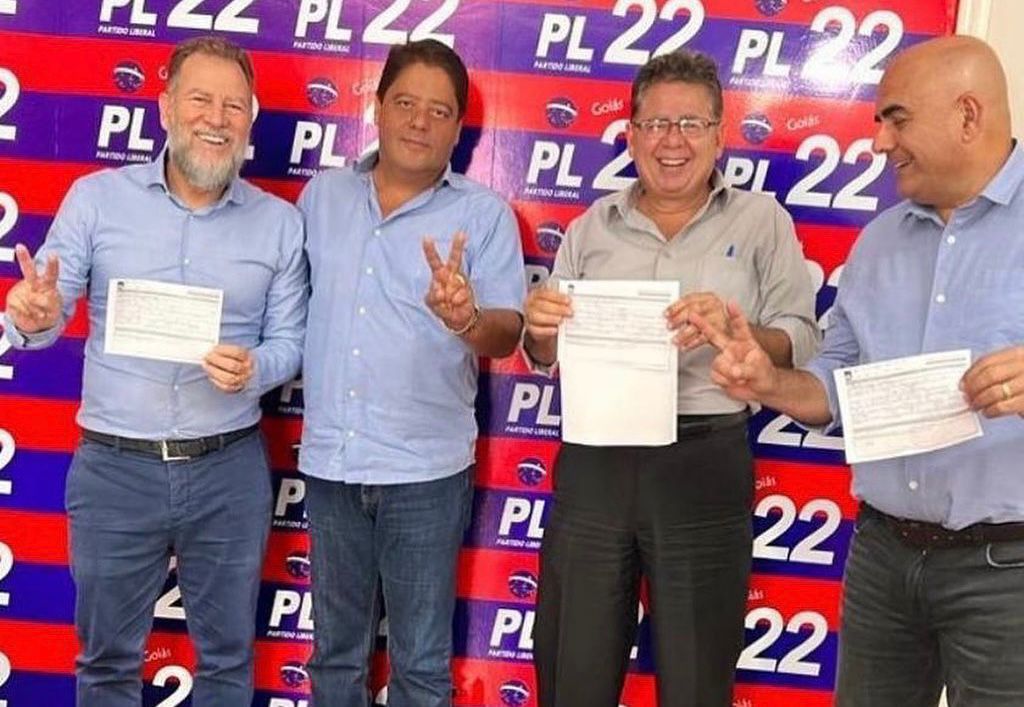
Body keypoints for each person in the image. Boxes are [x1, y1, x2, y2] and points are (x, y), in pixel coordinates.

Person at [690, 36, 1024, 707]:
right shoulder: (878, 242)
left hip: (1008, 573)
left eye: (896, 119)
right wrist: (770, 383)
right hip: (882, 555)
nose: (877, 142)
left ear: (967, 115)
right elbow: (838, 381)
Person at [2, 36, 307, 706]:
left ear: (251, 120)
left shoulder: (280, 225)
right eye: (200, 99)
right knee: (107, 663)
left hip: (228, 471)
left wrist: (256, 367)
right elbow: (47, 306)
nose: (216, 118)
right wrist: (32, 315)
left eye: (234, 105)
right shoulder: (96, 200)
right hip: (116, 470)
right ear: (166, 107)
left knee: (227, 661)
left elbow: (291, 341)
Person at [523, 49, 819, 707]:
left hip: (703, 461)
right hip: (597, 458)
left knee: (696, 677)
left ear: (719, 135)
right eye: (656, 124)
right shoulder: (589, 228)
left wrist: (741, 335)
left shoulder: (761, 220)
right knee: (572, 670)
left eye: (691, 123)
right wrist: (539, 329)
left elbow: (799, 335)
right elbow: (547, 350)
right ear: (631, 135)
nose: (672, 141)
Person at [296, 39, 526, 707]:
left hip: (426, 473)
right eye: (405, 103)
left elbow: (508, 330)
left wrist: (464, 316)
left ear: (458, 127)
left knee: (421, 665)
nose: (420, 122)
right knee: (334, 657)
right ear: (377, 108)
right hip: (333, 465)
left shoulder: (482, 215)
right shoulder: (321, 198)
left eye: (439, 111)